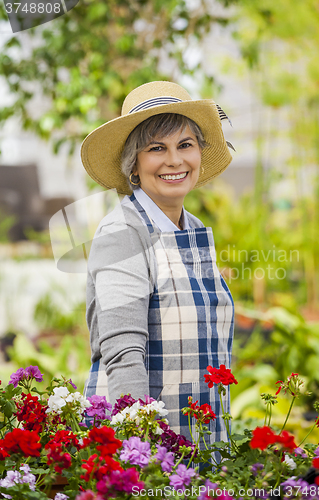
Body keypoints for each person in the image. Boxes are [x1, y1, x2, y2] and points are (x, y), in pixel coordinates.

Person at [81, 81, 235, 443]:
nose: (174, 160)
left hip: (199, 440)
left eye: (185, 145)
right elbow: (123, 354)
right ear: (133, 163)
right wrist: (143, 448)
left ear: (199, 153)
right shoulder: (122, 233)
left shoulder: (192, 228)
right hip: (145, 448)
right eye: (156, 148)